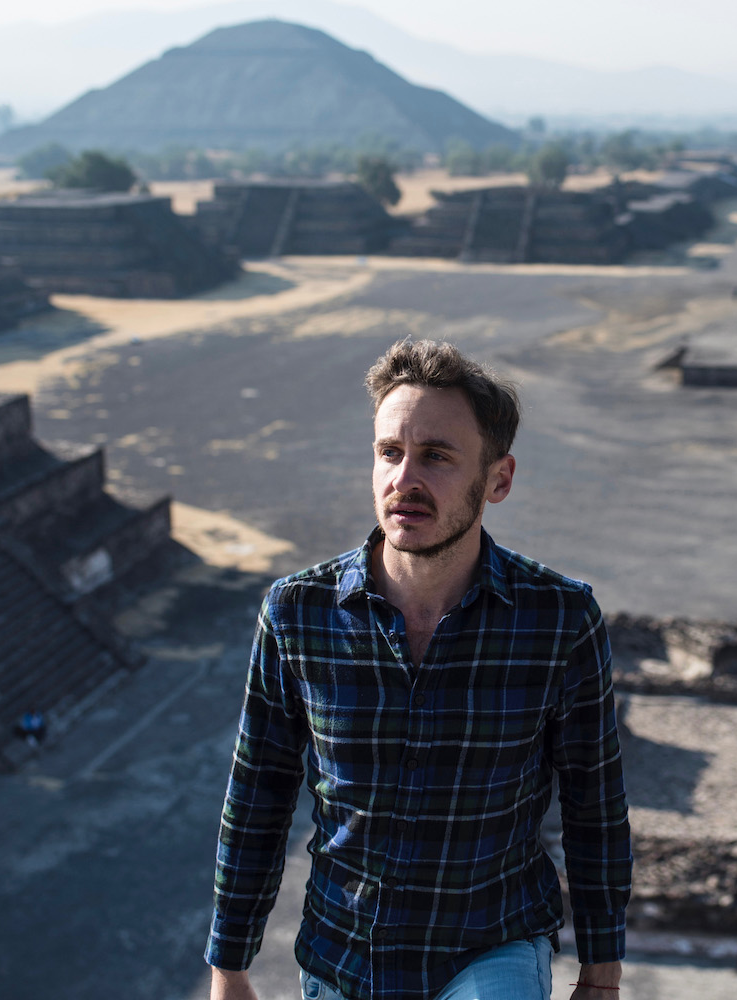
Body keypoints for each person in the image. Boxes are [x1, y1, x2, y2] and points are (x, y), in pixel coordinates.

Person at [205, 339, 632, 1000]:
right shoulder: (297, 613)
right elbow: (258, 794)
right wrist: (229, 966)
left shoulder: (558, 620)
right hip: (344, 953)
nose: (404, 478)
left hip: (492, 946)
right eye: (389, 452)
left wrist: (601, 974)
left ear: (499, 479)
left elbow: (593, 806)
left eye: (436, 456)